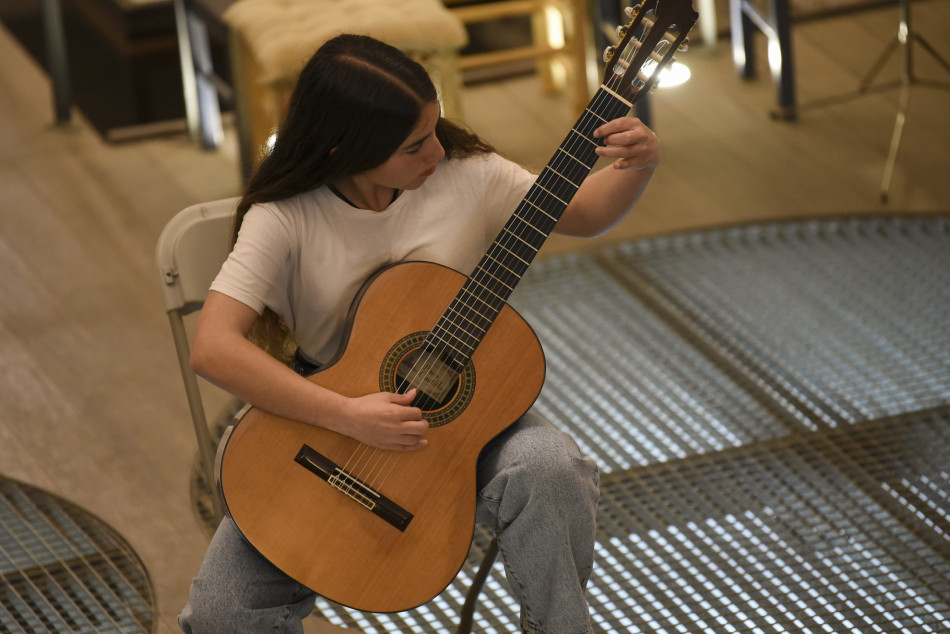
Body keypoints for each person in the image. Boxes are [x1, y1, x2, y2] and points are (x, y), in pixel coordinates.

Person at [179, 33, 659, 634]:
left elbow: (583, 213)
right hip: (321, 429)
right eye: (413, 145)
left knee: (552, 467)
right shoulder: (285, 218)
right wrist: (347, 414)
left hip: (455, 426)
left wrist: (637, 165)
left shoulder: (467, 176)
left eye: (434, 127)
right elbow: (214, 347)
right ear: (340, 148)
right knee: (222, 614)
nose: (436, 151)